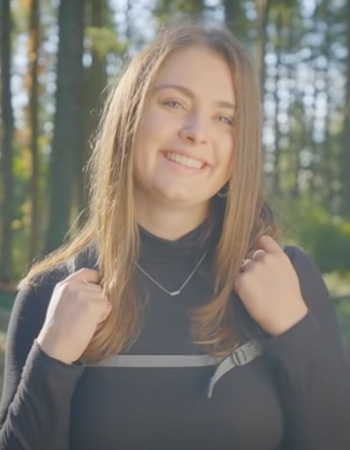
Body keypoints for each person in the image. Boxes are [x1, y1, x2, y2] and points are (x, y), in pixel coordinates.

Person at [0, 24, 349, 450]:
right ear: (129, 117)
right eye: (174, 102)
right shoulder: (50, 293)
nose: (197, 131)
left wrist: (294, 331)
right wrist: (52, 358)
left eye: (225, 117)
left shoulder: (287, 278)